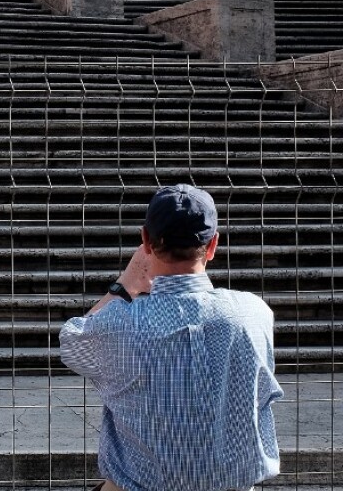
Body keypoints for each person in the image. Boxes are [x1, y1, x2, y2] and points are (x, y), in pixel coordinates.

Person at [59, 184, 283, 491]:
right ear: (214, 244)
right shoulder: (254, 313)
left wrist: (127, 283)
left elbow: (71, 341)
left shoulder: (120, 322)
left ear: (146, 241)